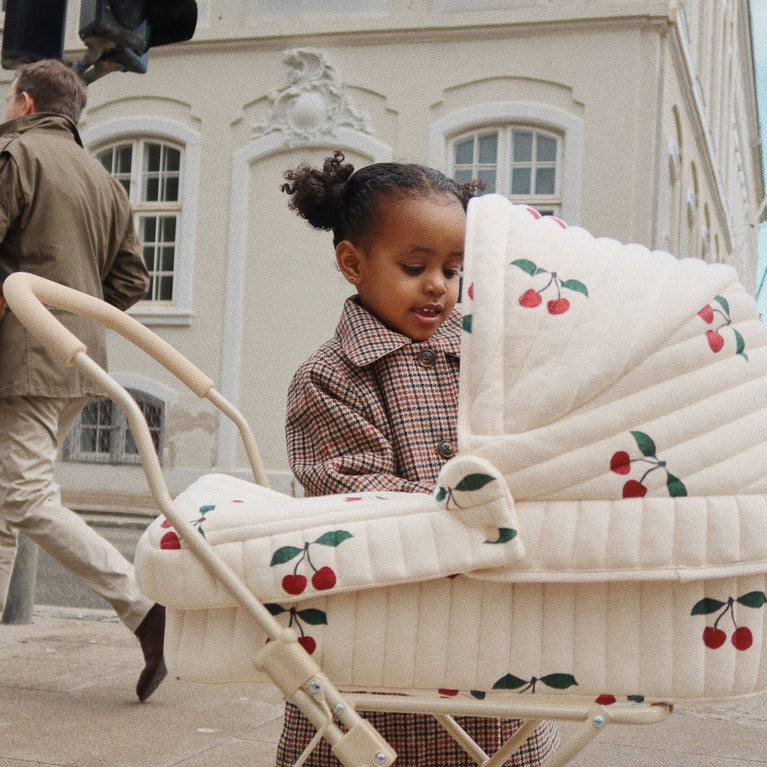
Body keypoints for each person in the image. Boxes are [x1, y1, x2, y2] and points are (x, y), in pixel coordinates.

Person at [278, 150, 560, 765]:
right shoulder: (329, 377)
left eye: (454, 269)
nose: (438, 284)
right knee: (381, 737)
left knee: (499, 733)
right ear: (353, 263)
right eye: (414, 266)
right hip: (384, 617)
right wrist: (462, 504)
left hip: (491, 612)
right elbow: (344, 488)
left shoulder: (482, 355)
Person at [0, 59, 166, 702]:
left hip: (22, 359)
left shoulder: (17, 155)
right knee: (8, 499)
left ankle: (143, 609)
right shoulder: (104, 178)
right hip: (74, 359)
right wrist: (70, 318)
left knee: (24, 497)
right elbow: (130, 282)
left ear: (26, 101)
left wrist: (28, 312)